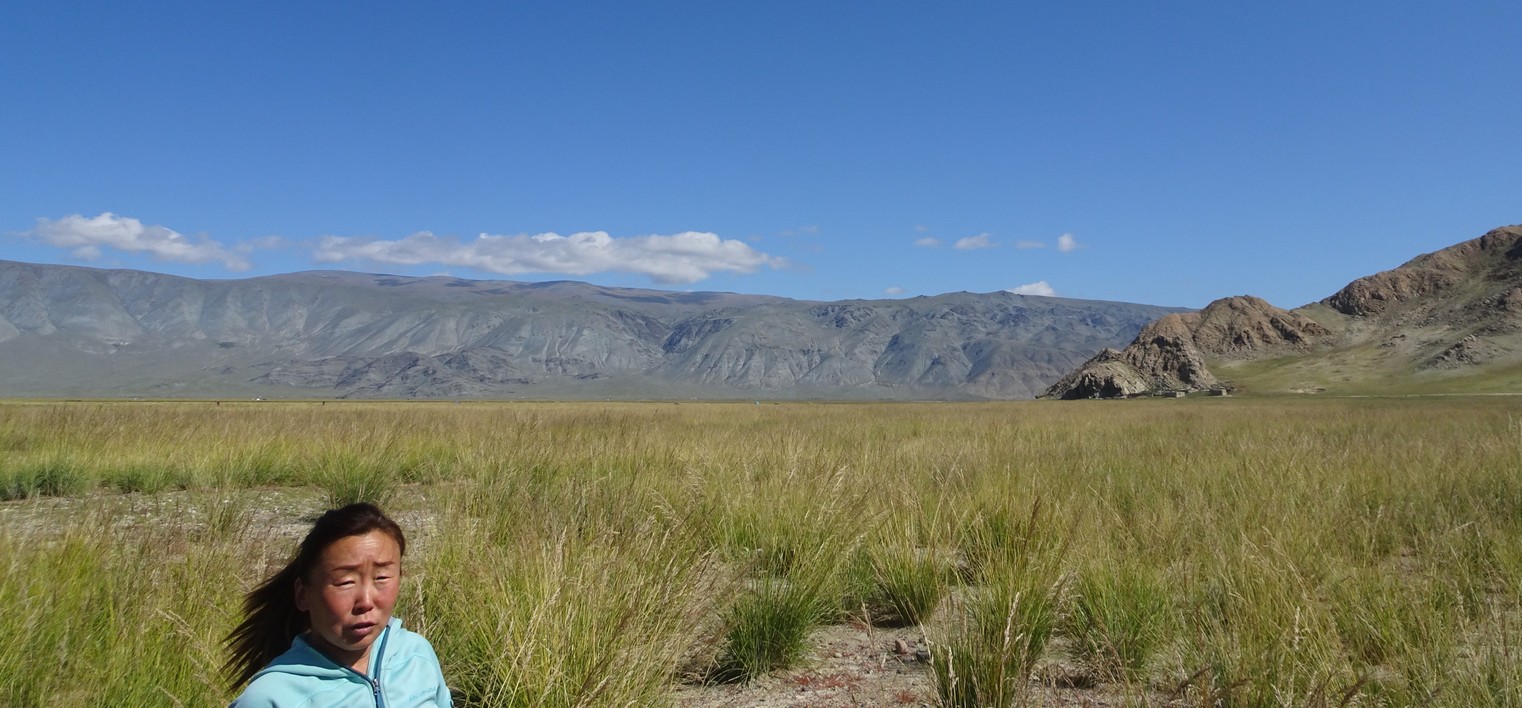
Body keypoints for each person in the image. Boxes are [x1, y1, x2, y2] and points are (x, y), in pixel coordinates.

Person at [225, 503, 451, 706]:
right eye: (345, 582)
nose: (365, 601)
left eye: (381, 577)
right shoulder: (270, 697)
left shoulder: (416, 655)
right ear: (303, 594)